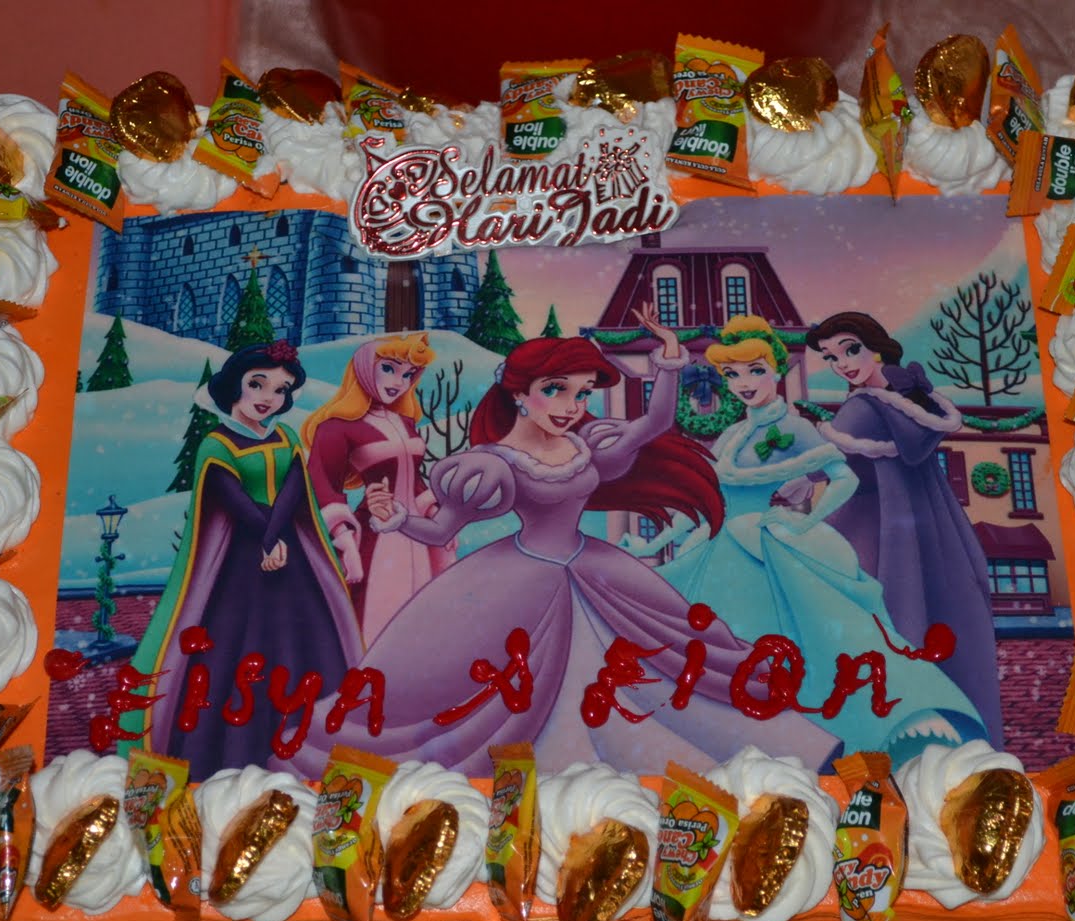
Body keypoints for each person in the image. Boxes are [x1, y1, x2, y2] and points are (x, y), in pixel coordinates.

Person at [285, 304, 844, 779]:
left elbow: (653, 424)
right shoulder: (493, 464)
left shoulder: (585, 445)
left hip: (596, 569)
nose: (570, 405)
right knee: (518, 689)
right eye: (555, 390)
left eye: (580, 393)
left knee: (670, 663)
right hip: (520, 581)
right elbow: (442, 531)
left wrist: (669, 360)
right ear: (521, 395)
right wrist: (395, 520)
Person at [652, 316, 987, 760]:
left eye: (755, 370)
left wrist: (803, 525)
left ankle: (872, 726)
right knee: (706, 648)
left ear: (777, 370)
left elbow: (844, 479)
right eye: (732, 374)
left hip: (766, 549)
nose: (744, 383)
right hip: (719, 552)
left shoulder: (795, 428)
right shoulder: (732, 434)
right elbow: (707, 500)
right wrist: (655, 544)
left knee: (817, 639)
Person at [128, 340, 363, 780]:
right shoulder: (216, 444)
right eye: (258, 384)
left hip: (289, 556)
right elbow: (230, 498)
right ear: (234, 384)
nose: (268, 397)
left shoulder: (286, 436)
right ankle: (238, 752)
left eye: (280, 389)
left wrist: (276, 538)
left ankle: (310, 740)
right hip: (240, 564)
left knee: (303, 642)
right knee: (241, 651)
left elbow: (294, 490)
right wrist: (265, 541)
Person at [805, 311, 1003, 743]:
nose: (842, 364)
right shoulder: (913, 403)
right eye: (831, 357)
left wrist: (789, 480)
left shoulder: (861, 408)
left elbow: (824, 461)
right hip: (932, 527)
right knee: (933, 614)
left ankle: (877, 728)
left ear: (876, 347)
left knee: (858, 618)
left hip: (873, 527)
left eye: (850, 349)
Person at [303, 333, 455, 644]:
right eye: (389, 368)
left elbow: (414, 479)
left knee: (422, 611)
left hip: (418, 532)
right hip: (377, 532)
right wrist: (343, 538)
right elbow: (322, 485)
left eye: (408, 374)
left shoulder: (404, 421)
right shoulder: (336, 427)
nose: (399, 381)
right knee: (377, 615)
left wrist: (436, 514)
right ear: (363, 368)